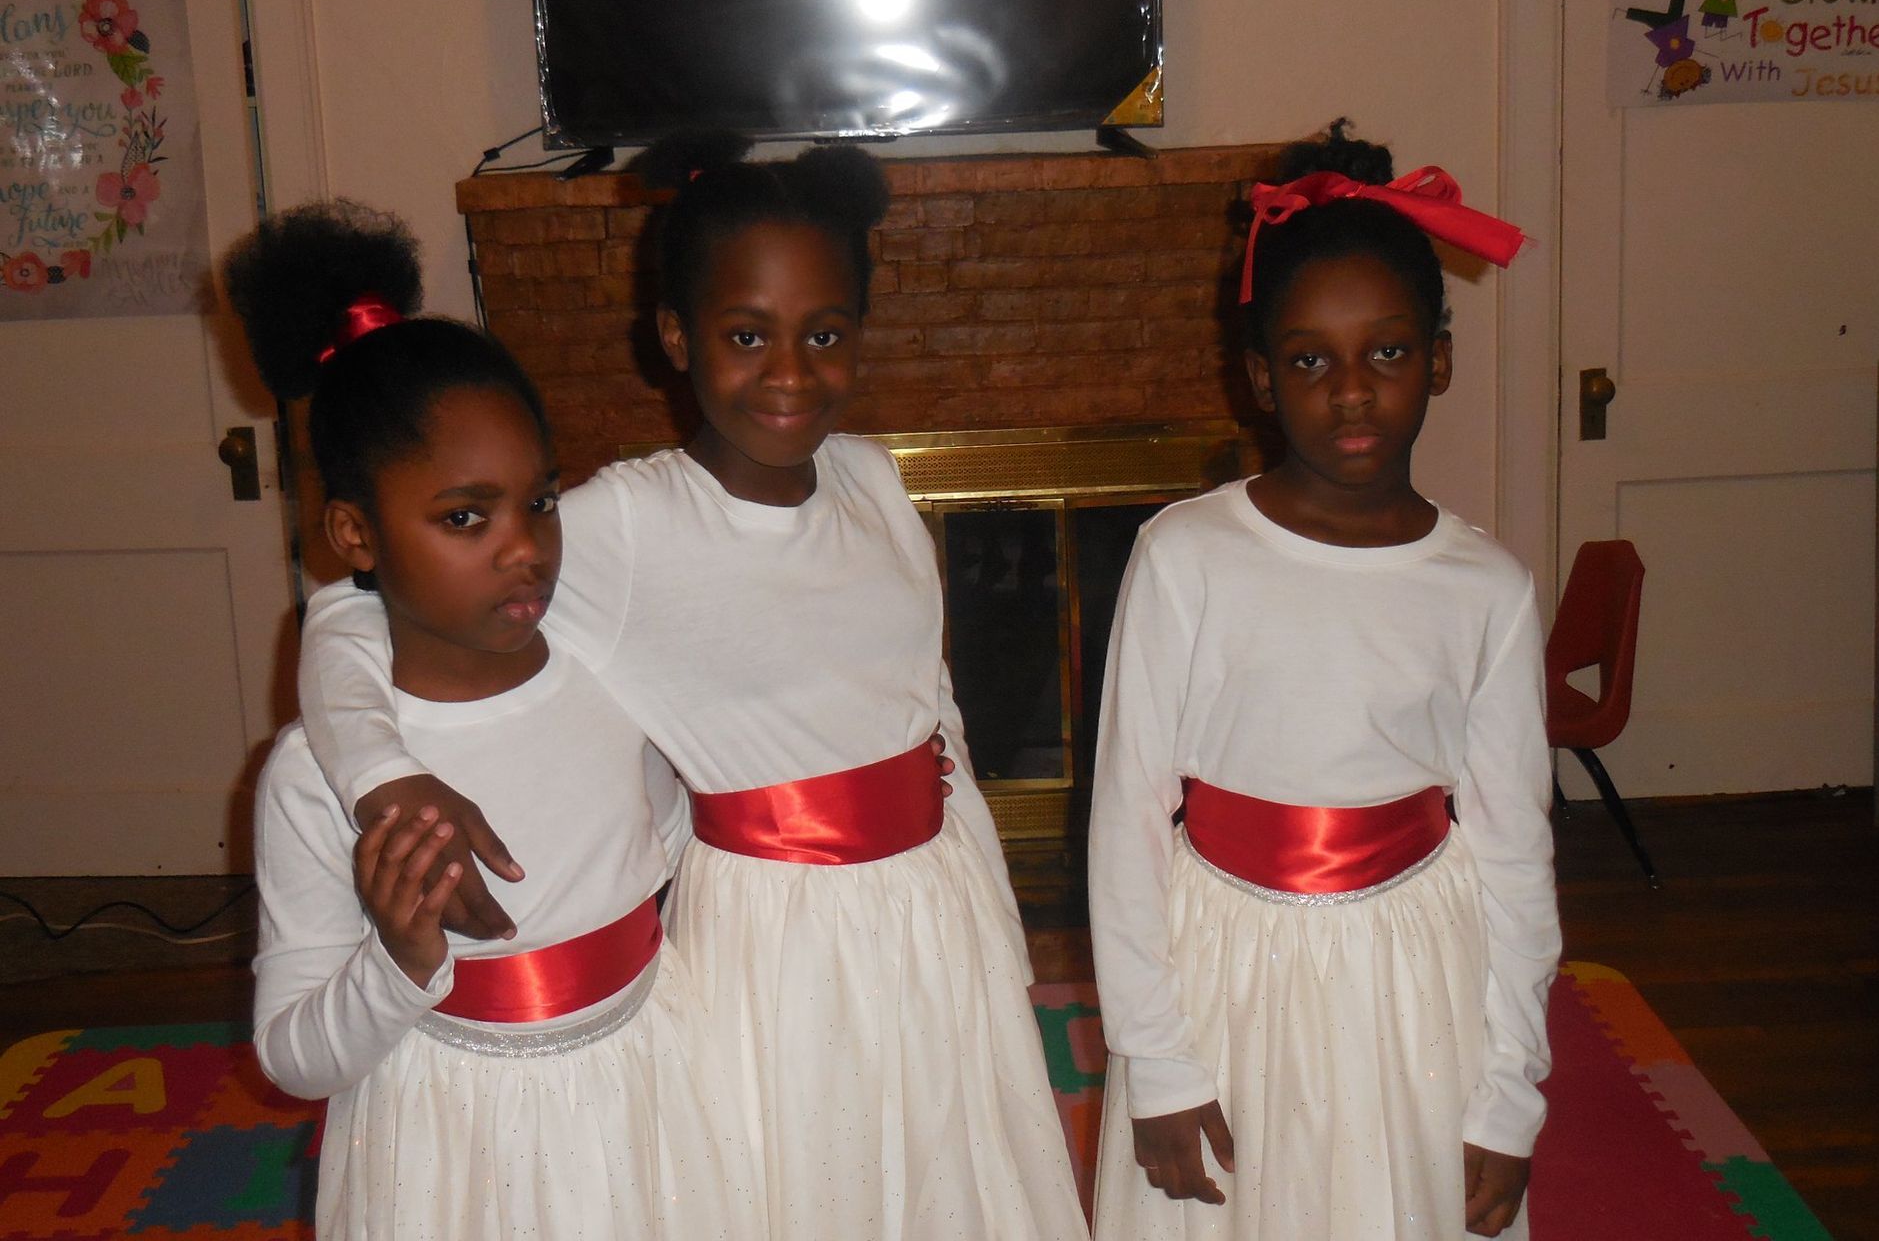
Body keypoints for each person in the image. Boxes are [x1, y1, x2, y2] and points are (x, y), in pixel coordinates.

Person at [291, 147, 1090, 1241]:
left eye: (826, 333)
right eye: (748, 334)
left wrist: (986, 913)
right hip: (780, 943)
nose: (790, 373)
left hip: (932, 905)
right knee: (817, 1184)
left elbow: (929, 693)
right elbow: (357, 608)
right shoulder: (623, 527)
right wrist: (382, 777)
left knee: (950, 1172)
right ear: (677, 337)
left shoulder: (874, 478)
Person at [237, 202, 759, 1240]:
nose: (524, 549)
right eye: (466, 518)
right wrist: (397, 956)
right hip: (453, 1140)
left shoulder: (614, 680)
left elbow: (663, 840)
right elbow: (295, 1057)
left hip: (650, 1101)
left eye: (542, 501)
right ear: (355, 532)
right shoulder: (316, 776)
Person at [1088, 121, 1560, 1241]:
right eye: (1309, 360)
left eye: (1387, 353)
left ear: (1438, 359)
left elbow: (1513, 849)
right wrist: (1156, 1061)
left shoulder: (1484, 586)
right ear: (1259, 377)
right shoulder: (1184, 556)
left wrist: (1510, 1090)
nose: (1352, 392)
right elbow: (1125, 817)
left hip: (1411, 986)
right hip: (1223, 971)